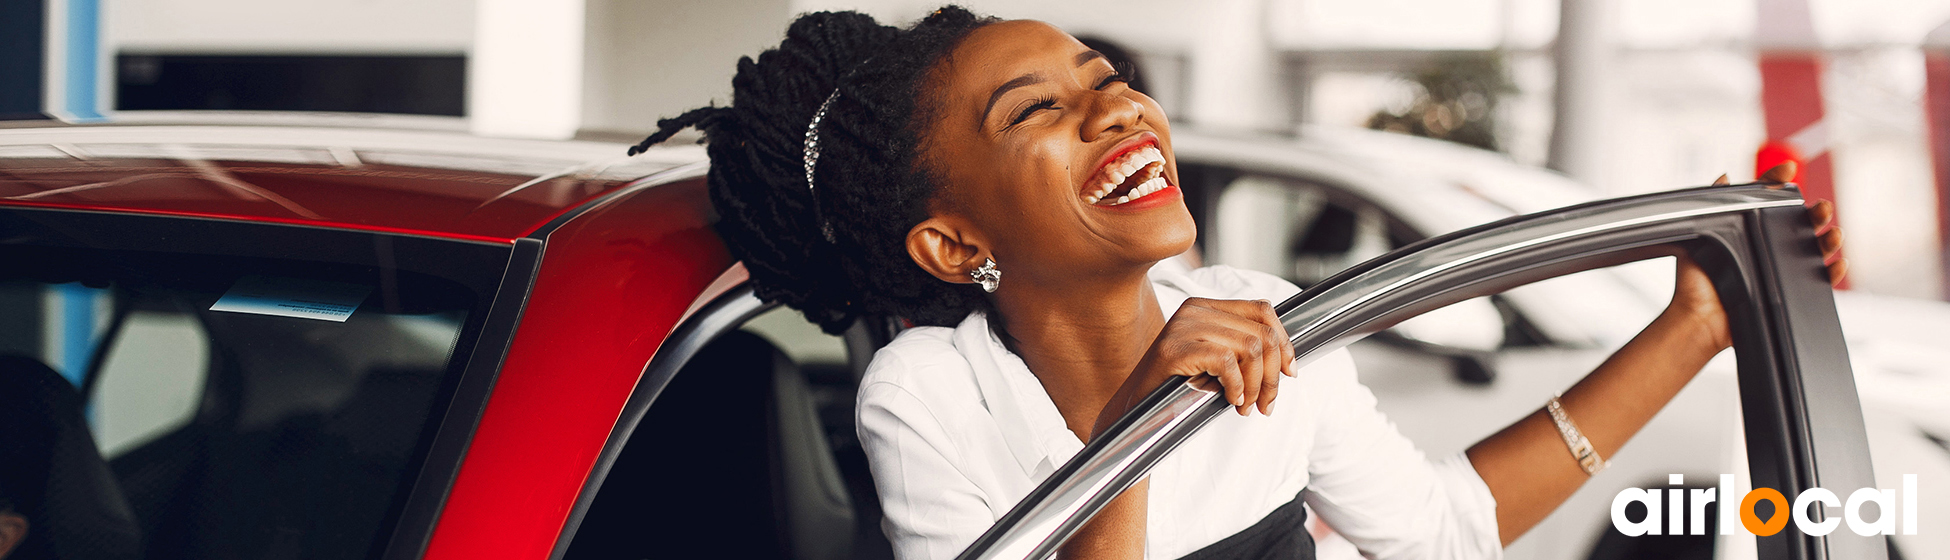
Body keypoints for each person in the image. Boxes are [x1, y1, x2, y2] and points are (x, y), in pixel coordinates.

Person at [627, 7, 1846, 559]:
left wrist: (1698, 324)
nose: (1113, 103)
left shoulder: (1264, 310)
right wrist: (1148, 414)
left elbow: (1445, 530)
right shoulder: (930, 391)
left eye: (1101, 72)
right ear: (953, 247)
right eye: (1037, 109)